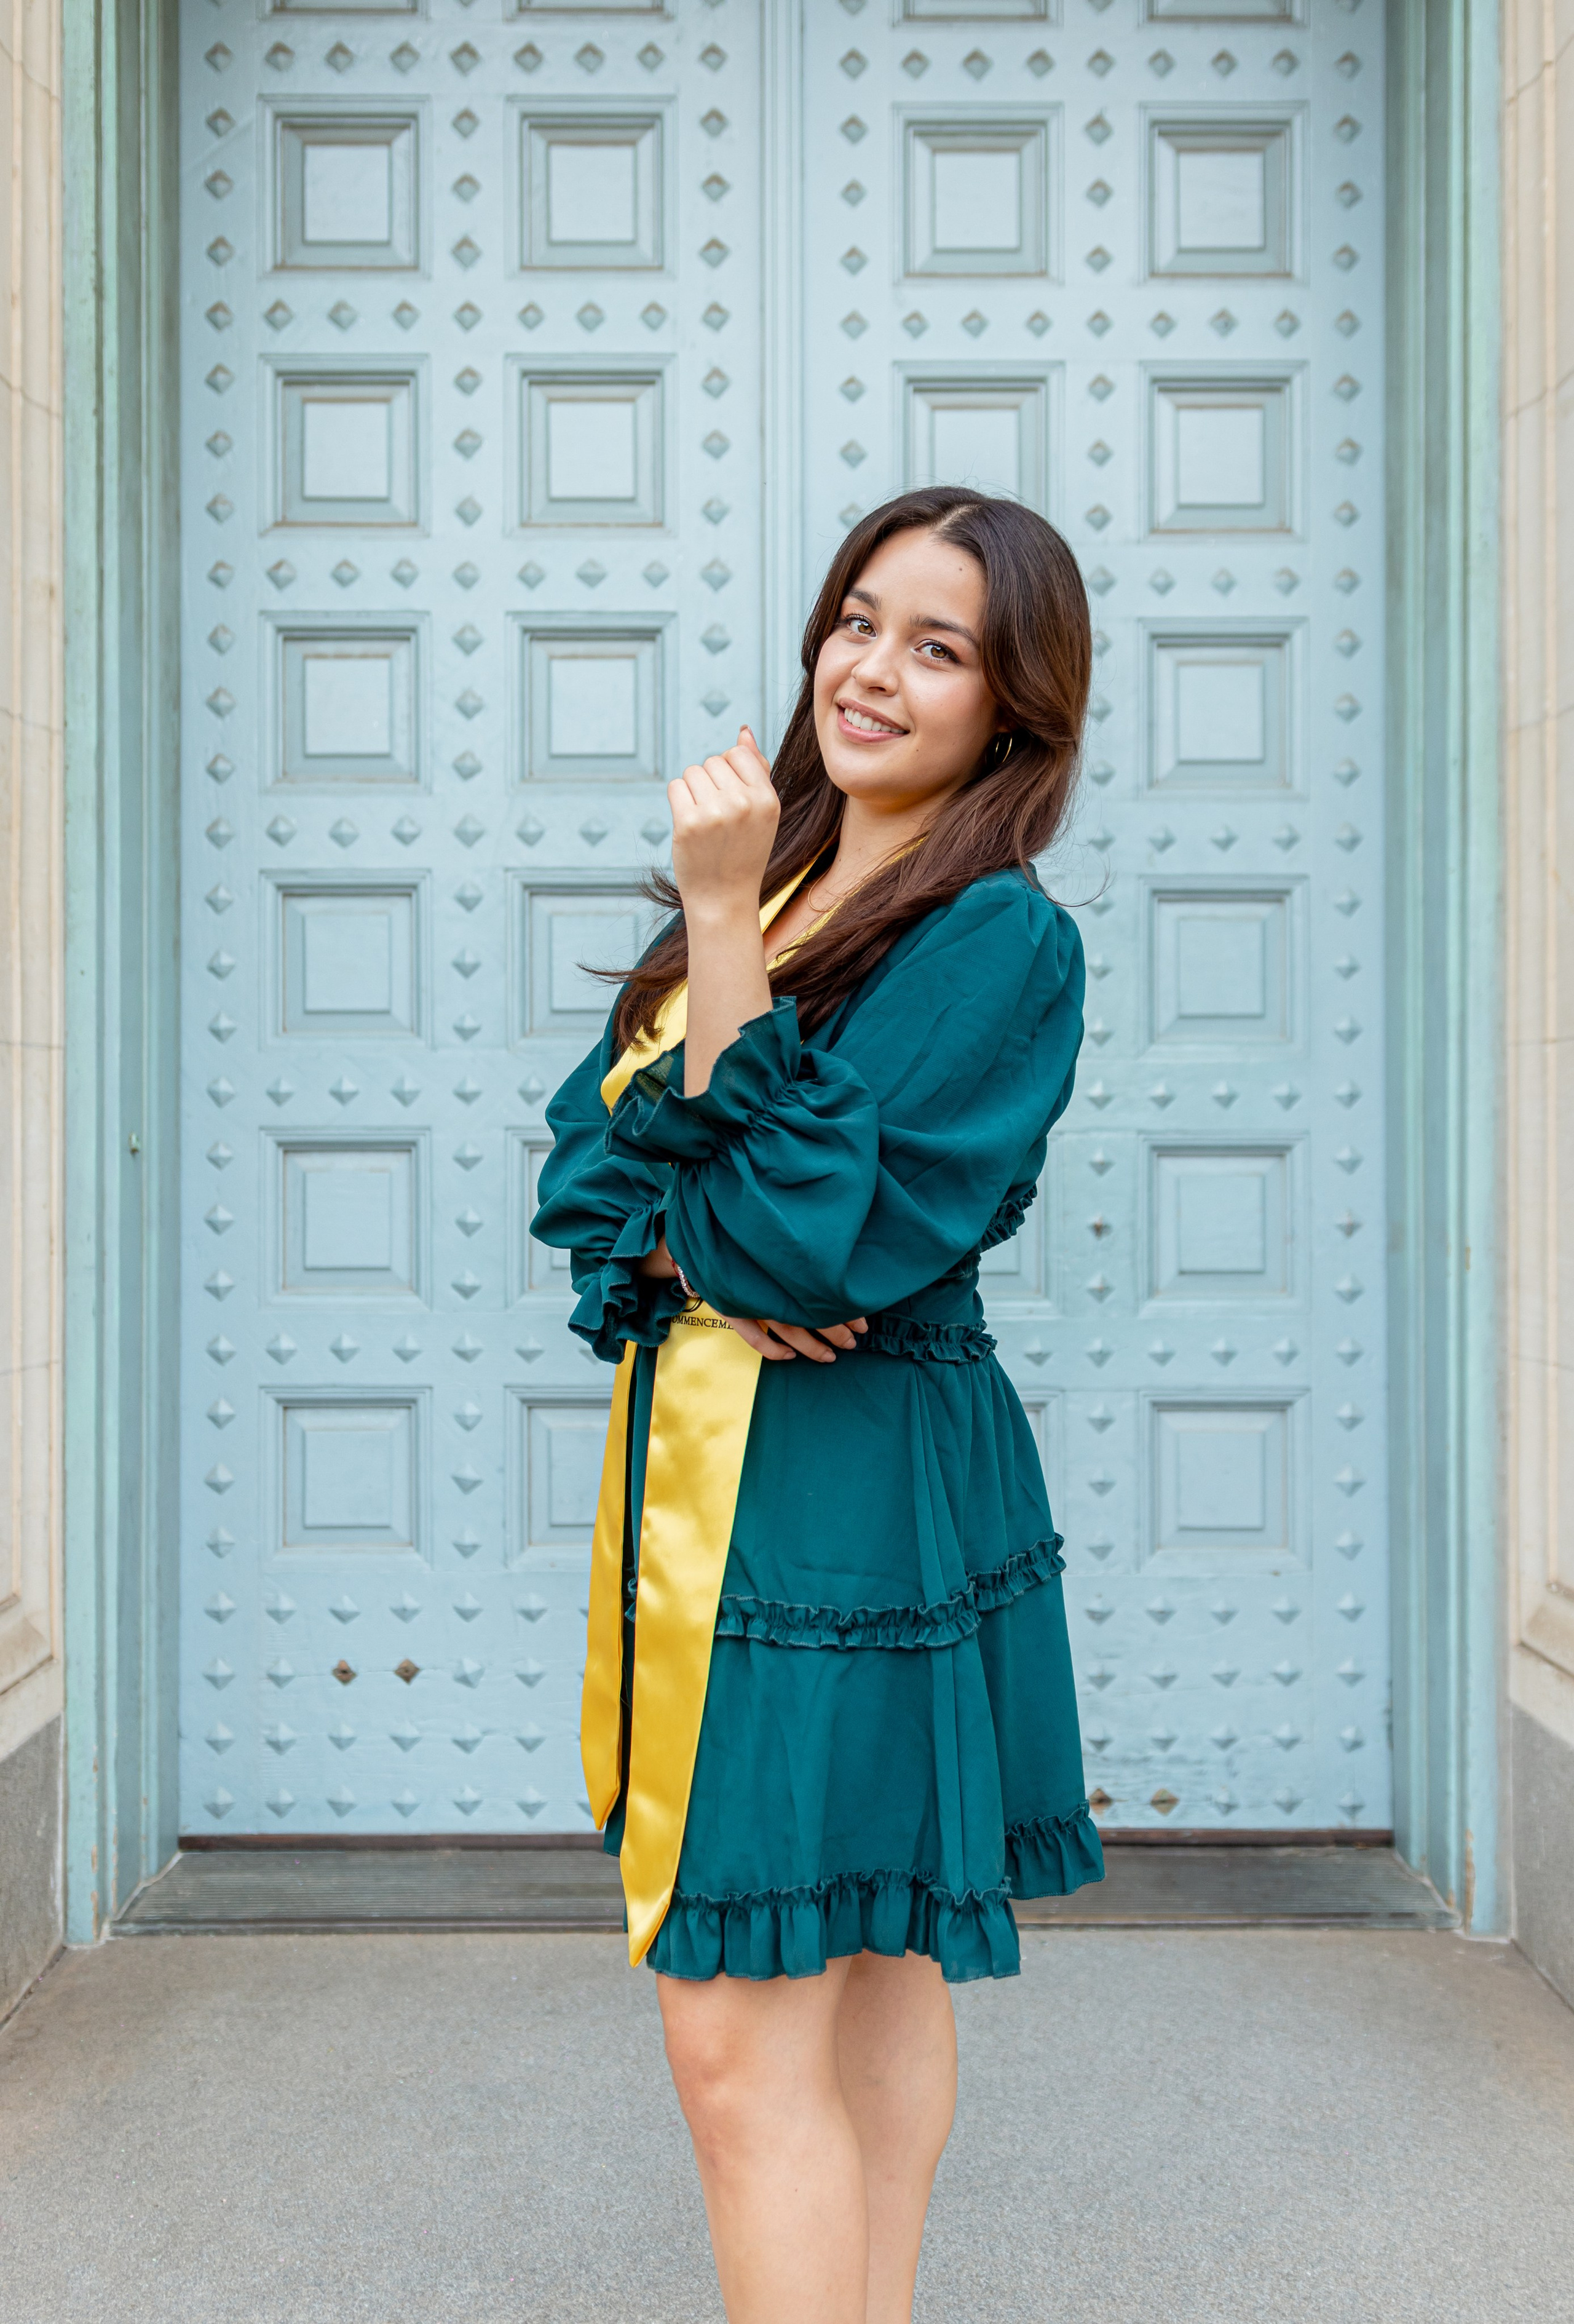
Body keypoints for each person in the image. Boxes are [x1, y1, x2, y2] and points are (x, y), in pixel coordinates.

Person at [529, 485, 1104, 2324]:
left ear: (1011, 707)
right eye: (859, 619)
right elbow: (588, 1182)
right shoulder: (786, 875)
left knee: (742, 2020)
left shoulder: (996, 940)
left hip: (853, 1497)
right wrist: (715, 1242)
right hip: (737, 1479)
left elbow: (797, 1240)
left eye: (938, 647)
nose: (872, 668)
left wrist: (715, 930)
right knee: (859, 1973)